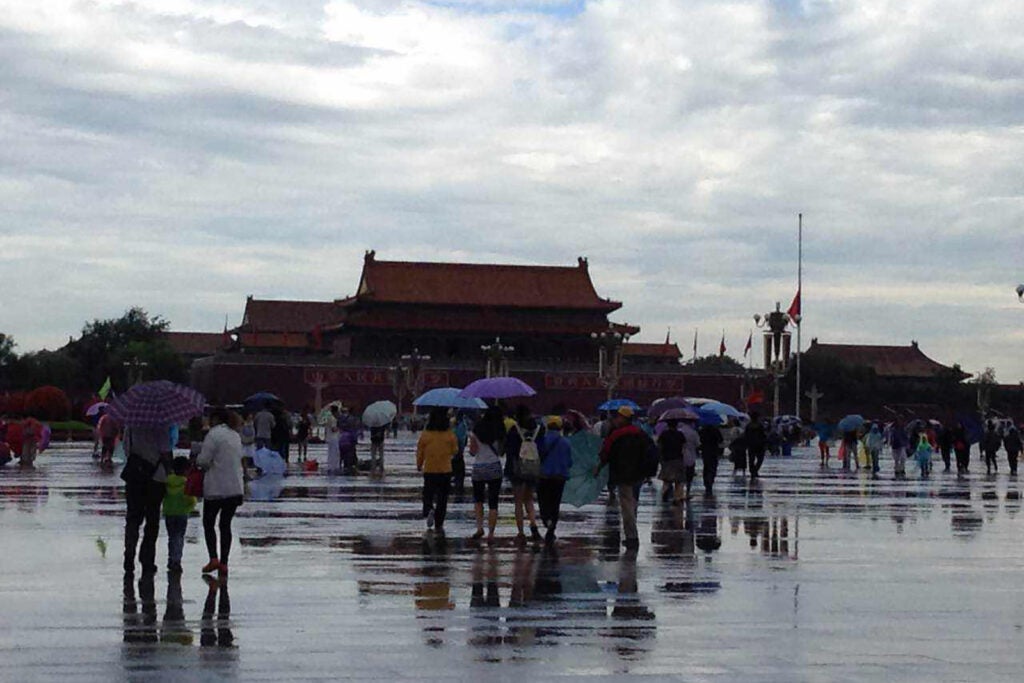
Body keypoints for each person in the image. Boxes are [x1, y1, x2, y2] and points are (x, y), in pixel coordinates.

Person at [196, 408, 245, 577]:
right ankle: (224, 562)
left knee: (209, 523)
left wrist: (197, 459)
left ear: (215, 419)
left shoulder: (213, 435)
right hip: (234, 488)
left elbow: (203, 461)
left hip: (216, 488)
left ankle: (213, 558)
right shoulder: (235, 435)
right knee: (226, 525)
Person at [595, 406, 651, 551]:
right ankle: (632, 532)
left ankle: (632, 537)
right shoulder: (641, 433)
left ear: (624, 418)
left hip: (623, 474)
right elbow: (651, 452)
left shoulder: (616, 435)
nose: (616, 419)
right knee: (633, 502)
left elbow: (605, 453)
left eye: (618, 417)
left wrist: (598, 468)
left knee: (627, 505)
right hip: (638, 474)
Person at [122, 422, 173, 576]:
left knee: (133, 518)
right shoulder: (161, 425)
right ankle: (147, 558)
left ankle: (129, 555)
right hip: (156, 478)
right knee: (152, 519)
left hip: (135, 475)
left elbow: (126, 448)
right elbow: (165, 451)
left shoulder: (131, 425)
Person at [416, 408, 457, 534]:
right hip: (445, 470)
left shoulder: (426, 435)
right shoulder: (449, 434)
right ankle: (439, 522)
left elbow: (420, 452)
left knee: (428, 494)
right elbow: (455, 451)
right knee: (442, 498)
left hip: (430, 469)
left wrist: (419, 464)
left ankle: (429, 509)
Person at [505, 408, 544, 543]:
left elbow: (509, 451)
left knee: (518, 502)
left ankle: (521, 532)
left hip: (517, 470)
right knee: (529, 499)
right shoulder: (539, 430)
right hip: (533, 469)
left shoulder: (514, 430)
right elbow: (542, 449)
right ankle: (533, 523)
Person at [469, 407, 506, 543]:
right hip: (494, 467)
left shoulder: (476, 430)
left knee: (478, 500)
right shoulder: (500, 431)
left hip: (479, 468)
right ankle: (491, 533)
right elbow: (502, 452)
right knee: (493, 502)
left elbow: (472, 452)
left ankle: (479, 528)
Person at [537, 416, 572, 544]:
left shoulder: (542, 441)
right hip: (560, 477)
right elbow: (569, 462)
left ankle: (546, 520)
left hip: (544, 476)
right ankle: (551, 530)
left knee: (543, 500)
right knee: (555, 502)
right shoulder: (566, 442)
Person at [163, 456, 196, 574]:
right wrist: (190, 507)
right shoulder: (186, 483)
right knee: (179, 537)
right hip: (182, 513)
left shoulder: (167, 482)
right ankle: (176, 560)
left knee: (171, 537)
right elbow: (191, 499)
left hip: (169, 513)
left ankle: (171, 558)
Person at [656, 419, 686, 503]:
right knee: (679, 481)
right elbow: (684, 446)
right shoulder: (680, 434)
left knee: (666, 480)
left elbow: (659, 445)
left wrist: (660, 457)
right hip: (678, 458)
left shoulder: (664, 434)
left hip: (667, 459)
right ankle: (677, 497)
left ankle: (665, 491)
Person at [698, 422, 723, 496]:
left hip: (705, 451)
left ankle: (706, 482)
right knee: (713, 466)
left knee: (706, 466)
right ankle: (710, 480)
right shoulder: (715, 430)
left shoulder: (702, 430)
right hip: (714, 451)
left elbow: (699, 441)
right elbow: (721, 440)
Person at [744, 413, 768, 479]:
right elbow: (763, 435)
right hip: (760, 445)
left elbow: (745, 436)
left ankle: (752, 471)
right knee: (760, 459)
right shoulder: (760, 425)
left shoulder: (748, 426)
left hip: (751, 445)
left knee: (751, 459)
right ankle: (755, 470)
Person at [452, 413, 470, 495]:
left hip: (454, 455)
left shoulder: (455, 425)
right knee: (459, 476)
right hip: (458, 454)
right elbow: (463, 440)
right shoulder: (463, 425)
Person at [325, 405, 341, 474]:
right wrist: (340, 428)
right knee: (335, 453)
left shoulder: (328, 418)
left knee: (330, 453)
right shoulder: (333, 419)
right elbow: (333, 429)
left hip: (329, 437)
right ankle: (334, 467)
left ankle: (330, 466)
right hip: (334, 438)